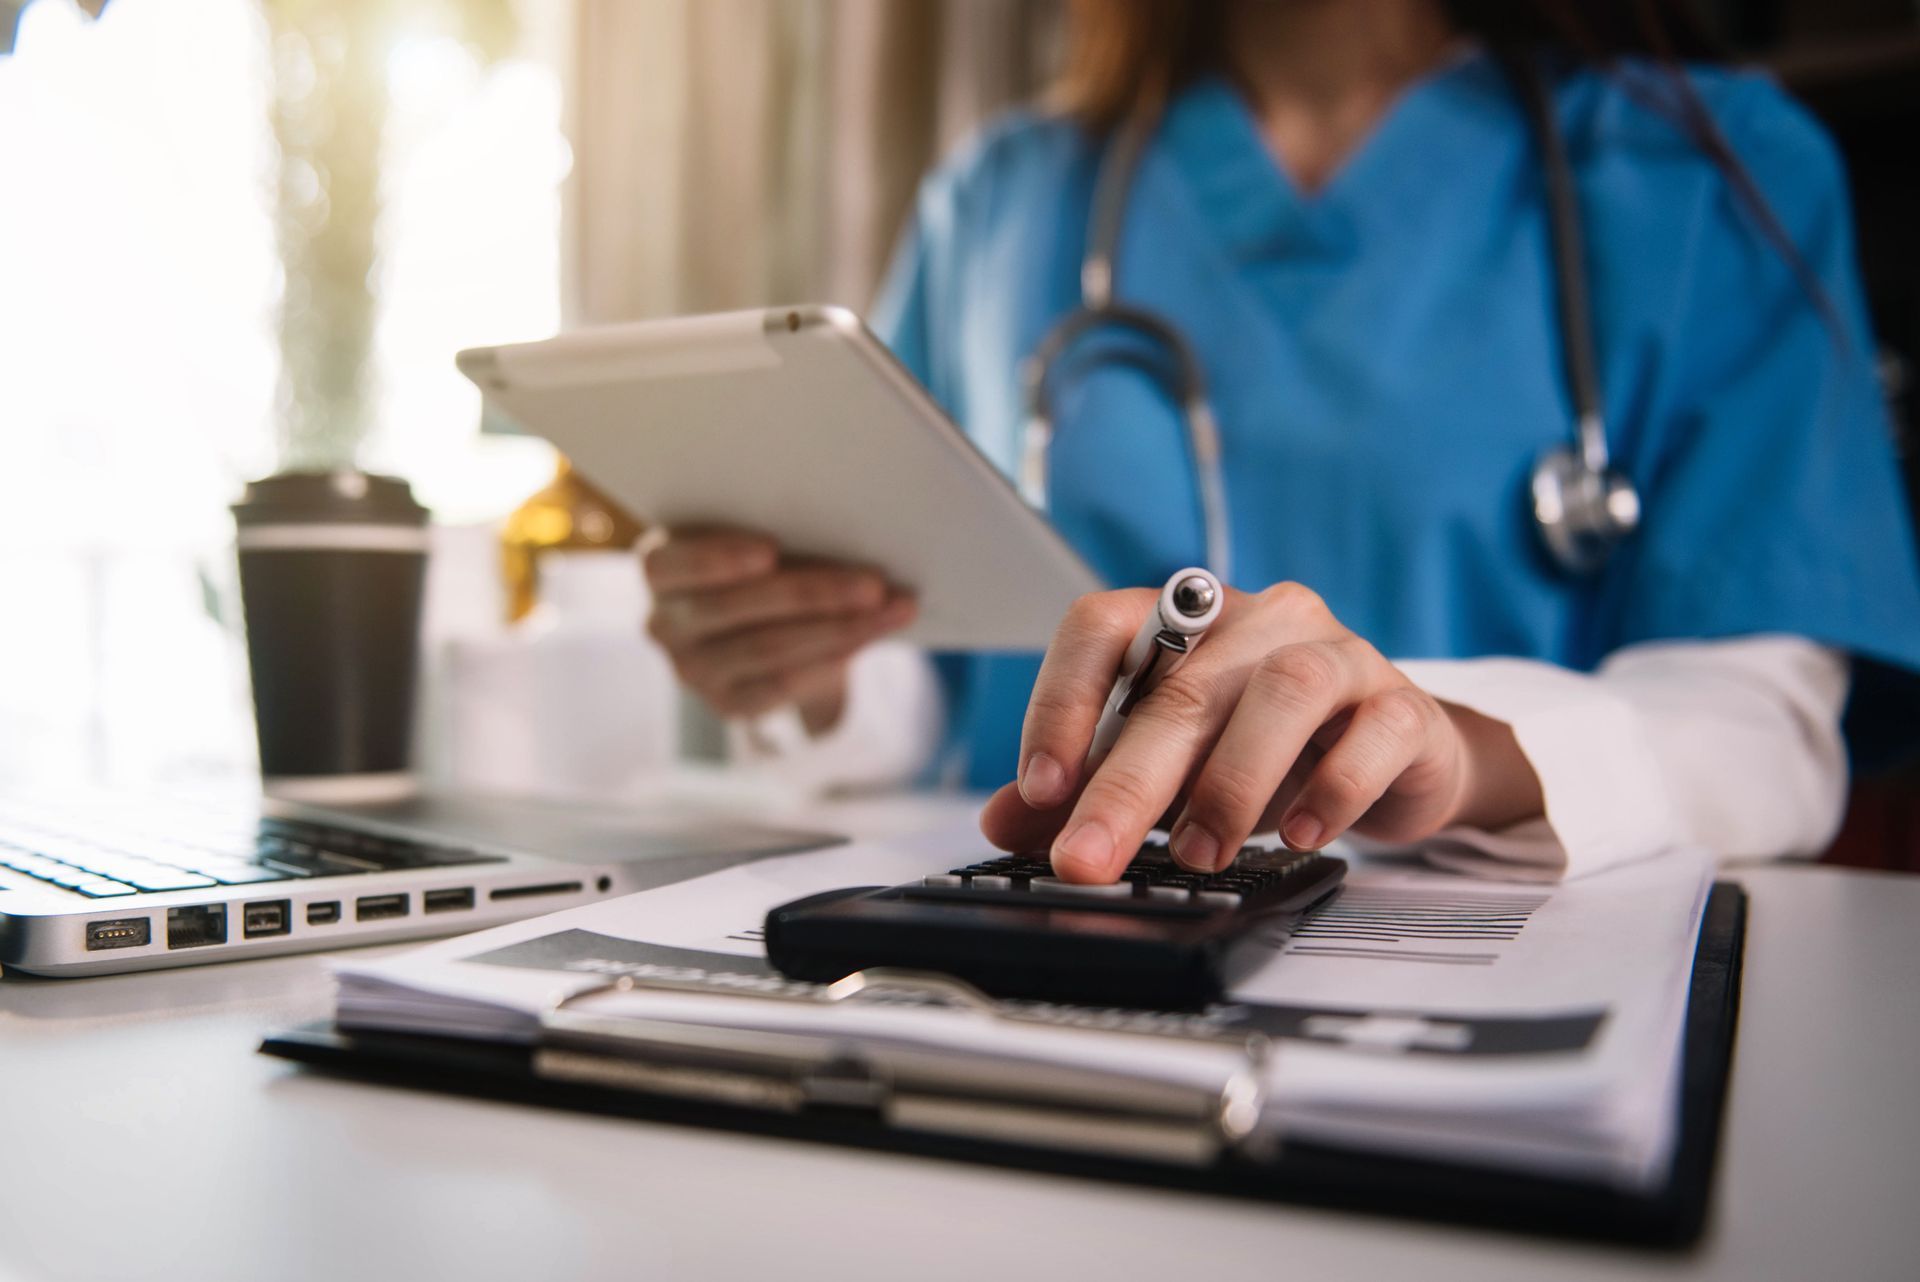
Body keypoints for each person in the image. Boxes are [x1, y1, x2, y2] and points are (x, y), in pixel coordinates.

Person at [642, 0, 1920, 884]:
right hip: (1035, 950)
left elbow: (1763, 732)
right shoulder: (1000, 195)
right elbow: (935, 673)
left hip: (1469, 970)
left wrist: (1455, 743)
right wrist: (809, 668)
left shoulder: (1709, 169)